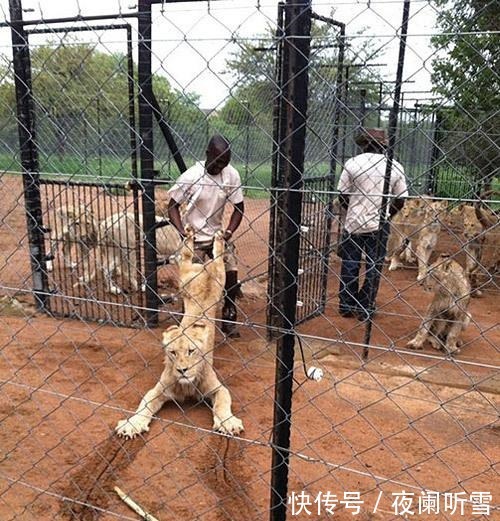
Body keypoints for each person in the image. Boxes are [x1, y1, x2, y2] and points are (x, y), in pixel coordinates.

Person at [168, 135, 245, 337]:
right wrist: (181, 231)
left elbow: (239, 208)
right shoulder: (191, 176)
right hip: (193, 236)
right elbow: (172, 207)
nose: (220, 166)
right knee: (193, 281)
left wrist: (228, 233)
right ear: (207, 154)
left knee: (231, 273)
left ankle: (229, 313)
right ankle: (188, 316)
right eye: (217, 161)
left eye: (225, 162)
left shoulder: (231, 175)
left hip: (218, 236)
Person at [337, 128, 408, 320]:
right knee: (373, 266)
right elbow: (401, 200)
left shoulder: (353, 163)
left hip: (353, 222)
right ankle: (365, 306)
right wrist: (386, 214)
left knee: (350, 263)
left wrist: (352, 210)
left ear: (364, 144)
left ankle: (346, 304)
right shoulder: (394, 166)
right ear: (383, 146)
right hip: (379, 222)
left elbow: (342, 194)